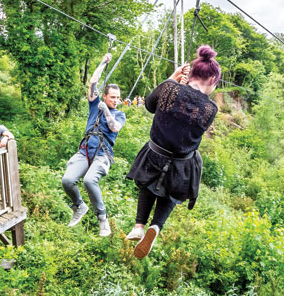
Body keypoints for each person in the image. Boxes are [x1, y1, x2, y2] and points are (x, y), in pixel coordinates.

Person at [125, 45, 220, 259]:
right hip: (181, 164)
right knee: (172, 191)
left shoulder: (170, 88)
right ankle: (156, 226)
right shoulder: (210, 109)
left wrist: (172, 79)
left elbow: (149, 105)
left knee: (148, 183)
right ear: (212, 80)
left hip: (155, 153)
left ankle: (139, 225)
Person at [61, 53, 126, 237]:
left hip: (102, 154)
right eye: (112, 97)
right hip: (85, 151)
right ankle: (79, 206)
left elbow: (114, 128)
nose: (115, 100)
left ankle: (102, 218)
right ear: (104, 96)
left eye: (118, 98)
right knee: (67, 181)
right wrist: (103, 63)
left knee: (90, 180)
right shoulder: (94, 105)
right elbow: (93, 82)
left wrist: (107, 112)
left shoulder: (119, 114)